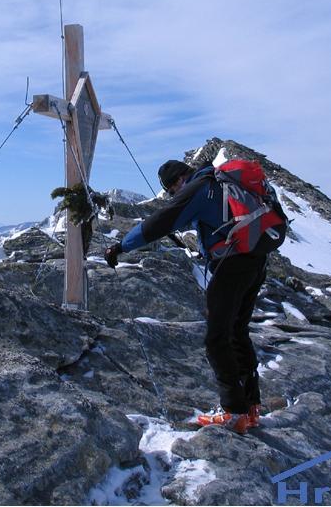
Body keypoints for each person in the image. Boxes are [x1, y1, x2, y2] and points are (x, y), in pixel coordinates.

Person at [104, 159, 266, 434]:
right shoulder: (219, 182)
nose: (172, 195)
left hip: (232, 266)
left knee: (217, 338)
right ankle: (251, 406)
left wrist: (121, 247)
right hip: (257, 260)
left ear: (179, 180)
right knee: (237, 331)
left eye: (171, 191)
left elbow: (156, 224)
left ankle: (233, 412)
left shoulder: (197, 188)